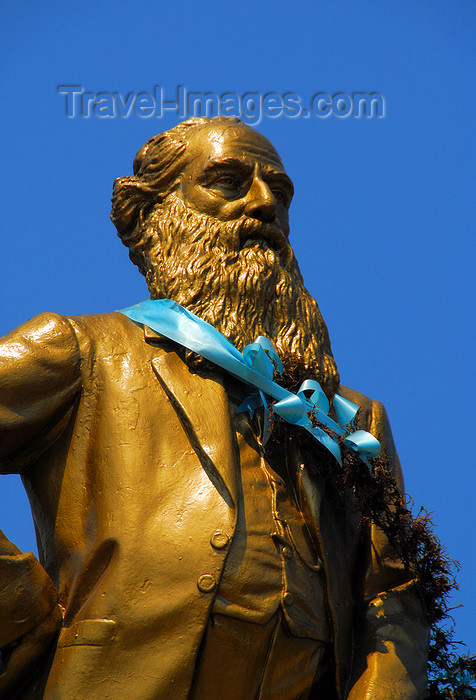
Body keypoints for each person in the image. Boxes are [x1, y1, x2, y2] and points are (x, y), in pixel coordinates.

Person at [0, 117, 429, 699]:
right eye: (227, 182)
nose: (262, 205)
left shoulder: (353, 420)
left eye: (279, 192)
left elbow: (392, 599)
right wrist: (22, 616)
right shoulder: (85, 351)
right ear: (146, 216)